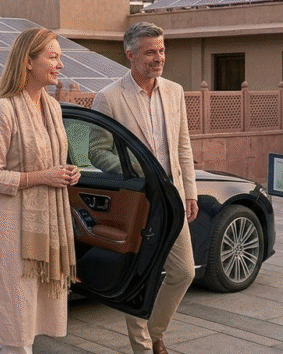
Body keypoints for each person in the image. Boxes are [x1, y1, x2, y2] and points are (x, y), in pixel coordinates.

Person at [90, 22, 197, 354]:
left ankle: (155, 331)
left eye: (162, 50)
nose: (159, 57)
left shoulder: (175, 91)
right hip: (137, 201)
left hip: (172, 199)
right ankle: (144, 348)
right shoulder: (108, 98)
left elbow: (183, 147)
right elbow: (97, 151)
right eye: (151, 51)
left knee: (184, 272)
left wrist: (190, 192)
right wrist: (135, 172)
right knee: (141, 277)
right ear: (130, 55)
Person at [0, 27, 79, 354]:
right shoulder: (2, 110)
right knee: (16, 323)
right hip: (11, 228)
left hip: (43, 228)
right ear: (28, 61)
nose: (60, 64)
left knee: (25, 324)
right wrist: (43, 177)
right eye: (52, 57)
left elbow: (52, 162)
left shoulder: (54, 108)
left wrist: (67, 173)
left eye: (60, 57)